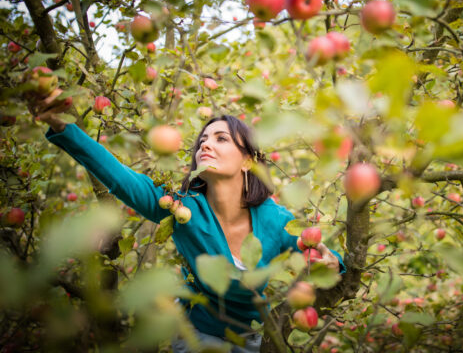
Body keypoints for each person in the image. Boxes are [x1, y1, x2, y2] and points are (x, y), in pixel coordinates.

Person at [27, 89, 346, 352]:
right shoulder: (180, 209)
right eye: (203, 140)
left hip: (252, 339)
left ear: (248, 160)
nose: (205, 144)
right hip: (198, 337)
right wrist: (60, 125)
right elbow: (121, 178)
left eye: (221, 139)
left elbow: (317, 252)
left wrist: (332, 262)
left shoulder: (275, 219)